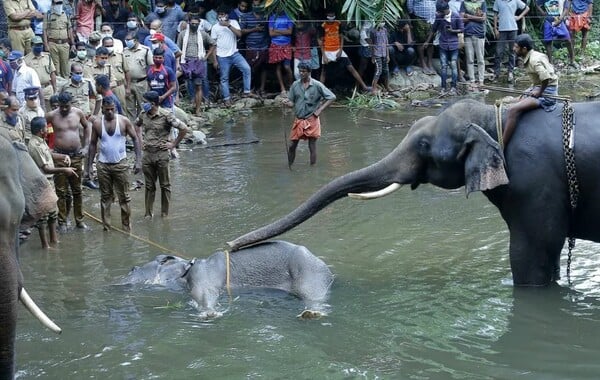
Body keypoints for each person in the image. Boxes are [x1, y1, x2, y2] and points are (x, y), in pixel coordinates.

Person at [88, 96, 141, 231]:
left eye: (112, 109)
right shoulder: (98, 124)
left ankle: (126, 227)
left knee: (124, 197)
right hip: (103, 165)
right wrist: (88, 167)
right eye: (107, 110)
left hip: (120, 163)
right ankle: (107, 227)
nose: (110, 112)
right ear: (103, 110)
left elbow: (135, 139)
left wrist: (138, 160)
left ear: (115, 109)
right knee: (105, 197)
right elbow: (92, 144)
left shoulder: (124, 121)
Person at [134, 90, 189, 218]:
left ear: (153, 104)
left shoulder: (166, 115)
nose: (142, 104)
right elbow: (136, 125)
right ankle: (148, 213)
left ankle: (165, 214)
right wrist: (141, 140)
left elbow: (184, 128)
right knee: (149, 186)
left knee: (165, 185)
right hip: (147, 154)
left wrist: (173, 144)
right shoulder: (143, 114)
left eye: (145, 102)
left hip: (161, 155)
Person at [28, 116, 78, 248]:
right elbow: (46, 168)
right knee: (43, 215)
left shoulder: (41, 141)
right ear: (41, 130)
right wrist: (64, 170)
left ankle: (54, 240)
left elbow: (49, 154)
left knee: (53, 212)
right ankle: (45, 245)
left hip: (49, 183)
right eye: (46, 127)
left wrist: (62, 156)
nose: (48, 129)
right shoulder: (34, 145)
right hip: (41, 183)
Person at [46, 91, 91, 230]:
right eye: (62, 106)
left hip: (77, 155)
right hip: (60, 157)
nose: (64, 109)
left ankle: (79, 220)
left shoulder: (78, 113)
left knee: (77, 190)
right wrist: (48, 150)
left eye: (67, 106)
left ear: (71, 103)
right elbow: (41, 130)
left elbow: (87, 126)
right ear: (58, 104)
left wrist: (86, 146)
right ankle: (62, 221)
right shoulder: (51, 115)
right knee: (61, 191)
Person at [503, 34, 558, 146]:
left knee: (512, 110)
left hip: (547, 92)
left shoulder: (534, 60)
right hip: (537, 86)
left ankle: (502, 144)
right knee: (515, 99)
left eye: (516, 47)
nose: (514, 49)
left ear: (524, 49)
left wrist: (539, 92)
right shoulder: (533, 55)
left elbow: (546, 78)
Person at [283, 62, 336, 167]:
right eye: (300, 71)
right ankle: (290, 166)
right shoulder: (295, 85)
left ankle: (313, 168)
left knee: (312, 146)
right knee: (292, 145)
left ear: (309, 72)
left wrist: (320, 110)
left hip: (312, 118)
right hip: (299, 119)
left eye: (304, 71)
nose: (301, 73)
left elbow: (332, 97)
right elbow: (292, 102)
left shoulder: (317, 85)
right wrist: (286, 103)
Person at [211, 5, 254, 106]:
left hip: (235, 53)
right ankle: (226, 99)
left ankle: (246, 92)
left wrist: (228, 25)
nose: (220, 16)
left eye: (222, 14)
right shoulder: (215, 27)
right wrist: (215, 60)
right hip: (222, 57)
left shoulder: (233, 22)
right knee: (224, 78)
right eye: (219, 15)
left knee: (247, 69)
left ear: (227, 15)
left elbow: (239, 34)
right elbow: (213, 45)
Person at [318, 9, 370, 92]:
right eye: (329, 15)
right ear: (326, 16)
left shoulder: (338, 24)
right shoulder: (323, 26)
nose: (331, 17)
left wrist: (340, 50)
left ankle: (364, 86)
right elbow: (320, 41)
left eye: (332, 15)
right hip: (327, 50)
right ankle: (319, 91)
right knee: (324, 71)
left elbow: (341, 37)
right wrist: (324, 55)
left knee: (351, 67)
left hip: (338, 49)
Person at [177, 13, 216, 115]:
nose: (194, 25)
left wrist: (206, 57)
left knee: (199, 84)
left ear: (199, 24)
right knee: (189, 83)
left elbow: (213, 44)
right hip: (186, 61)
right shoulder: (182, 34)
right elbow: (177, 49)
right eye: (192, 23)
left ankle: (198, 109)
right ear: (189, 23)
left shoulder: (202, 34)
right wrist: (178, 63)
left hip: (199, 61)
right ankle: (192, 101)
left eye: (196, 24)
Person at [424, 1, 464, 95]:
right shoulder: (439, 17)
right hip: (443, 44)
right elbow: (433, 30)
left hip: (454, 44)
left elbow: (462, 29)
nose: (438, 13)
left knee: (454, 66)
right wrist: (427, 41)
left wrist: (452, 30)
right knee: (443, 67)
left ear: (445, 10)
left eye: (440, 12)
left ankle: (453, 87)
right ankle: (443, 87)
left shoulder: (456, 16)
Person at [492, 0, 529, 83]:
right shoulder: (498, 1)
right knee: (498, 52)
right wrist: (495, 29)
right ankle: (496, 74)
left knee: (512, 51)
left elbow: (527, 8)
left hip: (513, 29)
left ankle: (510, 72)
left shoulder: (515, 0)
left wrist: (519, 17)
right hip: (501, 29)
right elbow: (495, 15)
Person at [240, 1, 269, 94]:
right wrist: (254, 29)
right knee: (251, 68)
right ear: (251, 5)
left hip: (264, 46)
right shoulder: (246, 16)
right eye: (254, 5)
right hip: (251, 47)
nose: (256, 6)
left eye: (258, 5)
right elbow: (241, 31)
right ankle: (251, 88)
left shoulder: (266, 15)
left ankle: (262, 88)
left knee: (264, 68)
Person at [536, 0, 576, 66]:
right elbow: (537, 4)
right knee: (548, 42)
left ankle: (572, 60)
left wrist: (560, 19)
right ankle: (550, 63)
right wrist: (543, 13)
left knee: (568, 40)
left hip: (559, 20)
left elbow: (566, 9)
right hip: (548, 20)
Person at [123, 32, 153, 120]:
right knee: (129, 107)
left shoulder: (145, 50)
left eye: (129, 40)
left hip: (141, 82)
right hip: (128, 83)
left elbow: (151, 66)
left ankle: (142, 127)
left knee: (142, 106)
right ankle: (131, 127)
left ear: (135, 40)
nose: (127, 42)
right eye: (126, 40)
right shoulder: (124, 51)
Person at [42, 0, 75, 78]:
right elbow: (44, 30)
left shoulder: (66, 14)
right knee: (55, 67)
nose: (59, 5)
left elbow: (69, 29)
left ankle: (66, 84)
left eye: (60, 3)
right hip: (53, 43)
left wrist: (73, 44)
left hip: (64, 44)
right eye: (57, 3)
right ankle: (58, 85)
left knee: (65, 66)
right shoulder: (48, 15)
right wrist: (46, 45)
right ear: (53, 4)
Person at [24, 36, 56, 109]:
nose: (39, 47)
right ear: (32, 45)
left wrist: (55, 89)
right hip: (34, 90)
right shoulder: (26, 60)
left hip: (47, 88)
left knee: (50, 111)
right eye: (37, 45)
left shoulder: (47, 57)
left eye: (40, 45)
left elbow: (52, 73)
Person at [461, 0, 487, 88]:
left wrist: (468, 16)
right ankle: (472, 80)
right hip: (468, 33)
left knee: (480, 59)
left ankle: (481, 80)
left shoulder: (482, 2)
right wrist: (477, 17)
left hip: (479, 34)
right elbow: (462, 19)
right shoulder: (464, 3)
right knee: (470, 59)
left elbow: (483, 19)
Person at [407, 0, 437, 74]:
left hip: (432, 18)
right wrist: (413, 13)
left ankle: (429, 63)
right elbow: (410, 3)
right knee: (420, 41)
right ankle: (423, 63)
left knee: (431, 41)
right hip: (419, 18)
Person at [268, 9, 294, 94]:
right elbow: (271, 34)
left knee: (287, 67)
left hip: (287, 44)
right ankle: (282, 88)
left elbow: (290, 32)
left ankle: (291, 86)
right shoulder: (272, 17)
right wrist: (284, 32)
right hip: (275, 44)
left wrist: (276, 30)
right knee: (278, 67)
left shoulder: (289, 16)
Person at [368, 21, 391, 94]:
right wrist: (372, 56)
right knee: (378, 71)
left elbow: (386, 43)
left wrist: (388, 55)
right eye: (381, 21)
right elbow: (371, 44)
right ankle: (374, 88)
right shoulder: (372, 31)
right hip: (377, 53)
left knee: (386, 70)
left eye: (383, 21)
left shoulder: (384, 30)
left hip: (384, 53)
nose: (382, 23)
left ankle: (387, 86)